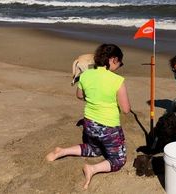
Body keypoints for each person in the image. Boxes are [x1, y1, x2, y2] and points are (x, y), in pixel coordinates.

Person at [46, 43, 131, 189]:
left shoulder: (85, 75)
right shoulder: (117, 80)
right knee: (119, 160)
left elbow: (79, 96)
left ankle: (63, 151)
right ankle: (93, 169)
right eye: (120, 63)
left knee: (94, 149)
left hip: (90, 125)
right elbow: (126, 109)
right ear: (113, 59)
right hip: (108, 127)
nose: (119, 66)